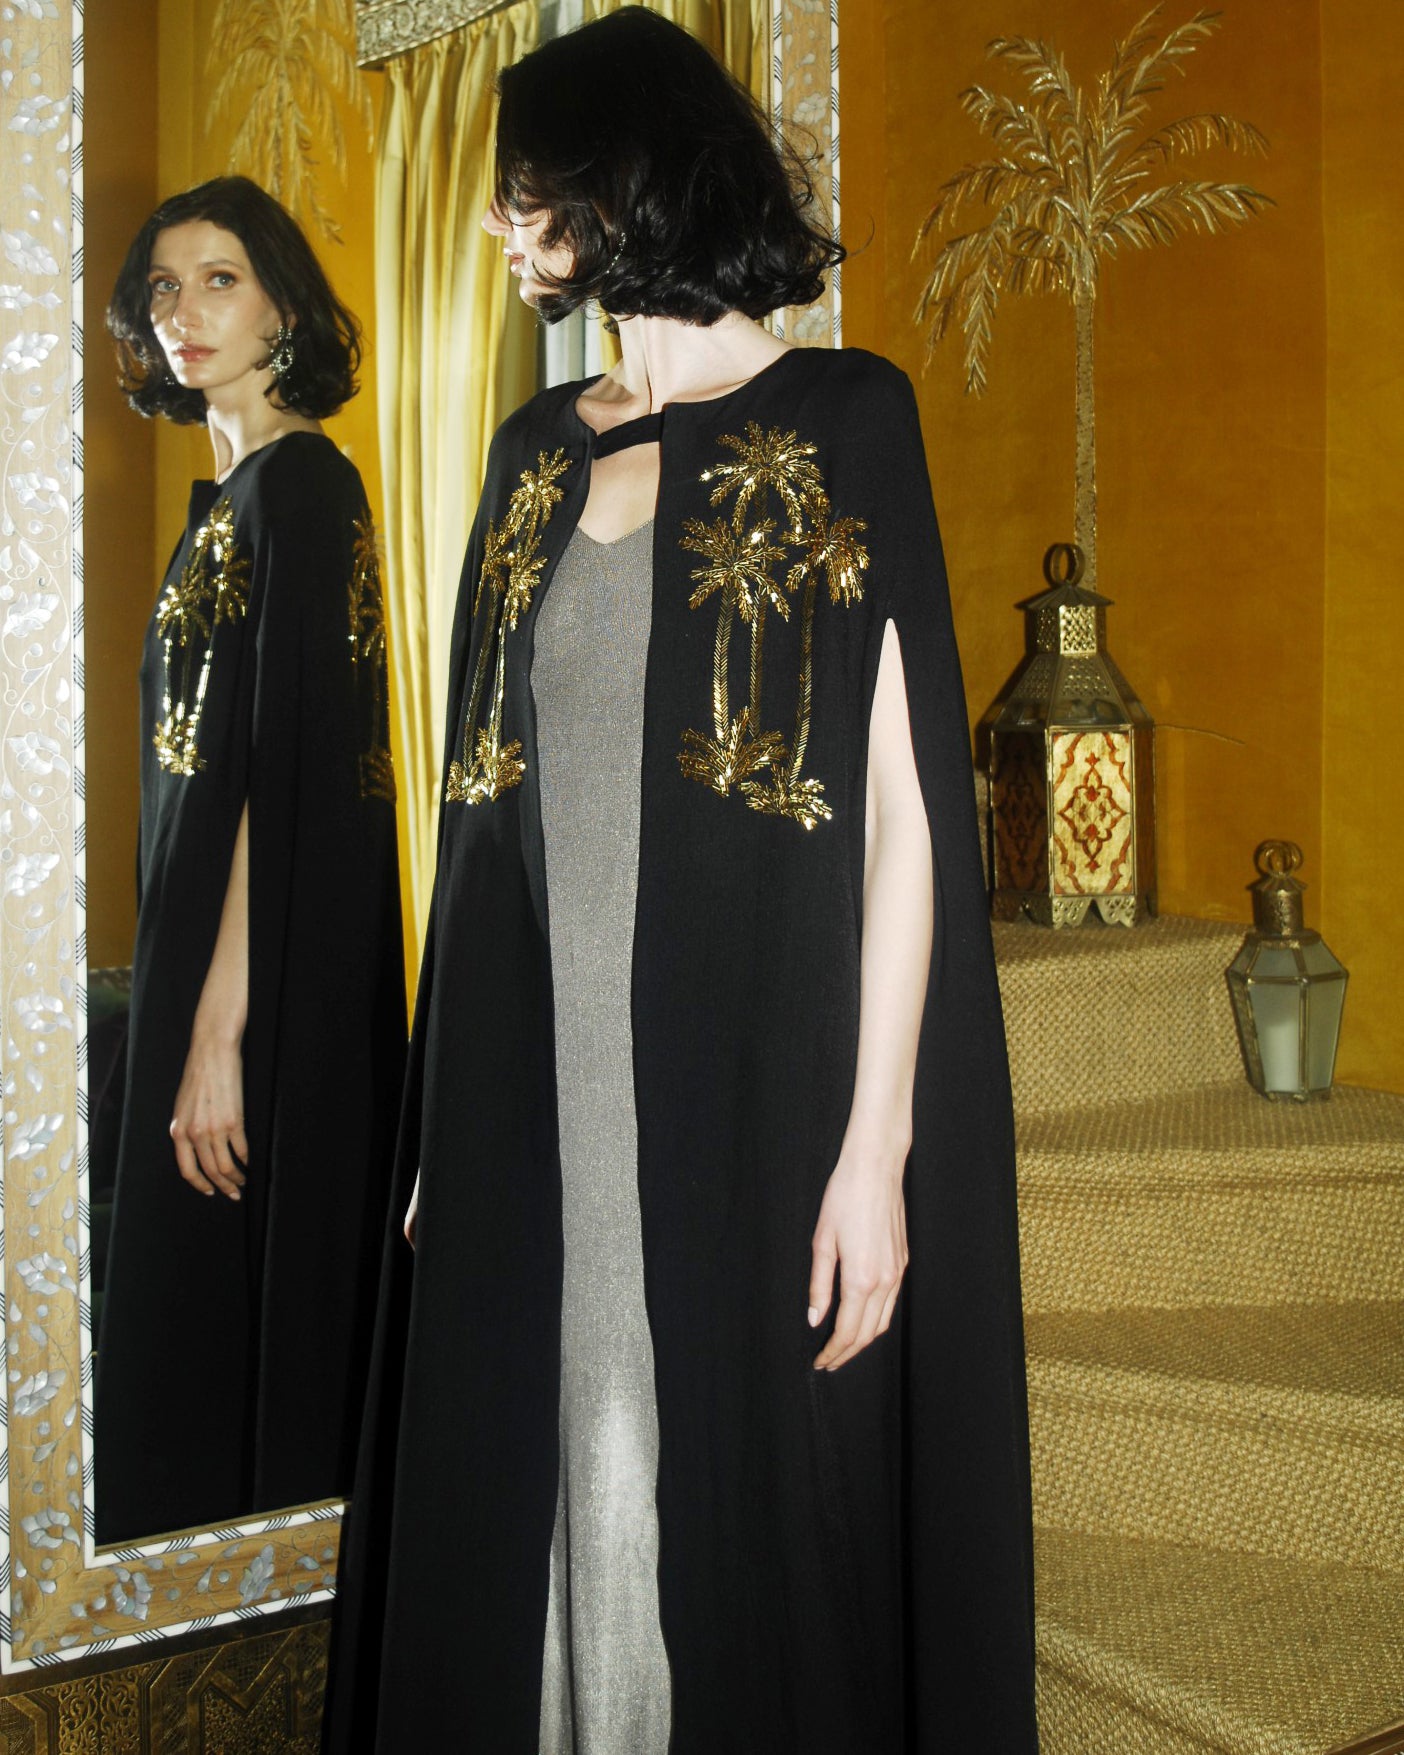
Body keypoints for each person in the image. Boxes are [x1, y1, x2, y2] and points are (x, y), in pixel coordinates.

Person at [328, 11, 1037, 1752]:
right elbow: (479, 825)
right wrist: (444, 1125)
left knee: (734, 1499)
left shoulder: (845, 415)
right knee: (556, 1470)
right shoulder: (530, 451)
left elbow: (902, 817)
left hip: (757, 1088)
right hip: (541, 1086)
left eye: (526, 191)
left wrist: (876, 1151)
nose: (498, 224)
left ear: (625, 181)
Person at [94, 177, 405, 1543]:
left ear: (285, 305)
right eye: (164, 287)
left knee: (251, 1309)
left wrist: (221, 1031)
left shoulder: (306, 489)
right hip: (204, 971)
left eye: (220, 279)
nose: (186, 311)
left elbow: (283, 794)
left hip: (264, 989)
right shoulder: (223, 505)